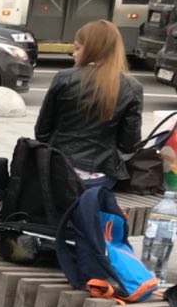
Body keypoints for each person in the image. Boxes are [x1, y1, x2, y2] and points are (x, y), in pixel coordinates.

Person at [34, 19, 143, 189]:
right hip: (101, 176)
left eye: (78, 48)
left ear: (93, 49)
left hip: (58, 169)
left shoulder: (65, 78)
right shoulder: (131, 87)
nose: (74, 54)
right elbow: (130, 143)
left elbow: (42, 131)